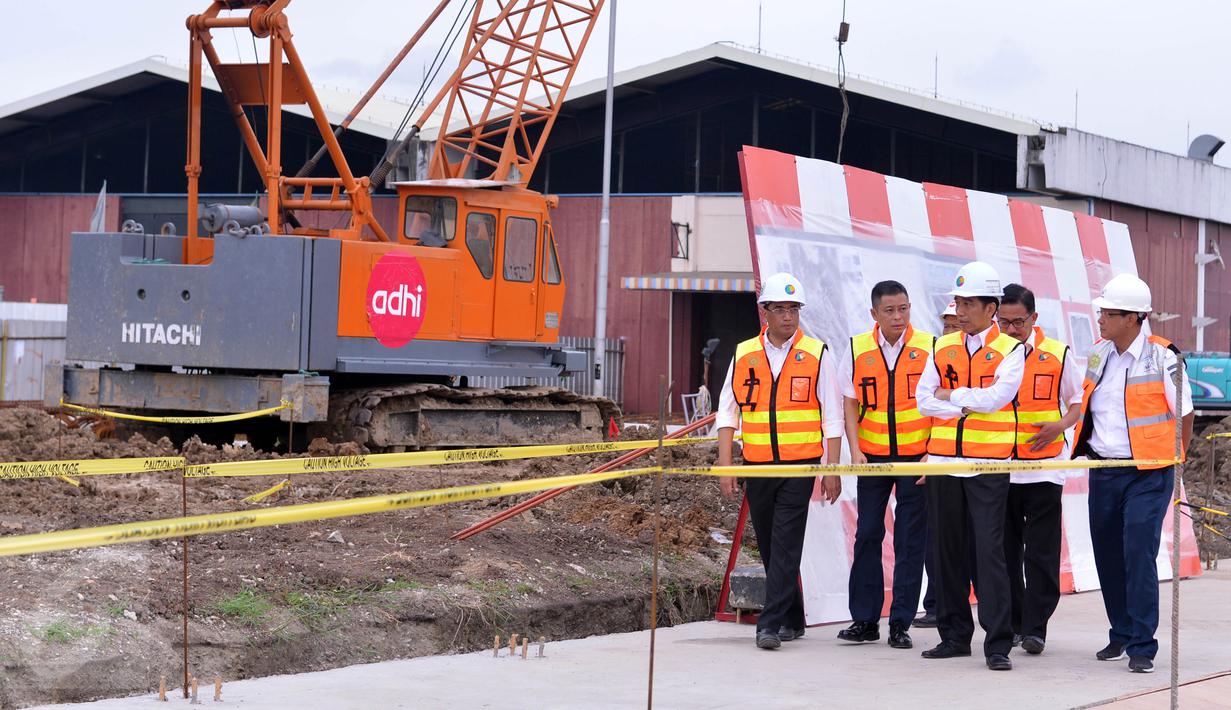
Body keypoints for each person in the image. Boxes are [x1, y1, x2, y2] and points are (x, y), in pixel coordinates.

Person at [1071, 273, 1193, 674]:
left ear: (1134, 318)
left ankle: (1143, 643)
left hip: (1148, 472)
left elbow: (1185, 414)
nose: (1101, 319)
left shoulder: (1164, 357)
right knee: (1107, 555)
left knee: (1137, 553)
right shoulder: (1097, 354)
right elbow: (1086, 404)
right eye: (1102, 311)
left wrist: (1178, 457)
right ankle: (1120, 632)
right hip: (1104, 470)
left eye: (1108, 313)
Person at [715, 272, 844, 650]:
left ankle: (768, 625)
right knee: (771, 545)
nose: (789, 316)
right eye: (781, 309)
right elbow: (727, 411)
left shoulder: (818, 353)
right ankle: (793, 616)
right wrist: (726, 465)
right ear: (765, 312)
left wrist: (831, 470)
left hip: (799, 466)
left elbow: (832, 417)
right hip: (758, 465)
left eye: (794, 309)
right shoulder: (743, 354)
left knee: (786, 541)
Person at [916, 261, 1024, 671]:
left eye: (969, 303)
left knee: (989, 556)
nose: (960, 310)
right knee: (946, 554)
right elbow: (923, 399)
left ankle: (997, 644)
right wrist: (963, 401)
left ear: (991, 307)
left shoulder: (1012, 350)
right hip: (944, 463)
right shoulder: (941, 347)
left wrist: (952, 397)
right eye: (958, 302)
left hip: (987, 465)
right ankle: (954, 636)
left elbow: (998, 398)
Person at [836, 281, 933, 650]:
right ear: (874, 314)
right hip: (873, 457)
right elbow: (849, 402)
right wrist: (855, 449)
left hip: (917, 458)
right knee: (868, 535)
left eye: (904, 309)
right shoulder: (857, 348)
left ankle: (900, 623)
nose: (898, 317)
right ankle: (864, 619)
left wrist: (932, 453)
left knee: (910, 541)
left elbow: (941, 402)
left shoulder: (929, 347)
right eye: (890, 311)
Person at [998, 284, 1083, 655]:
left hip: (1046, 468)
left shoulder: (1057, 354)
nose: (1012, 329)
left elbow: (1077, 404)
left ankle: (1036, 627)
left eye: (1018, 321)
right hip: (999, 466)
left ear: (1034, 318)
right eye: (1004, 322)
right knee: (1003, 552)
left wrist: (1060, 427)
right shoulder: (990, 353)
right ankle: (1014, 622)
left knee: (1041, 553)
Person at [917, 299, 961, 628]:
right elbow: (925, 407)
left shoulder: (982, 361)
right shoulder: (938, 359)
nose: (948, 330)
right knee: (938, 536)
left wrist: (953, 398)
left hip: (978, 461)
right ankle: (935, 604)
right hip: (940, 458)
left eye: (955, 324)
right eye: (945, 324)